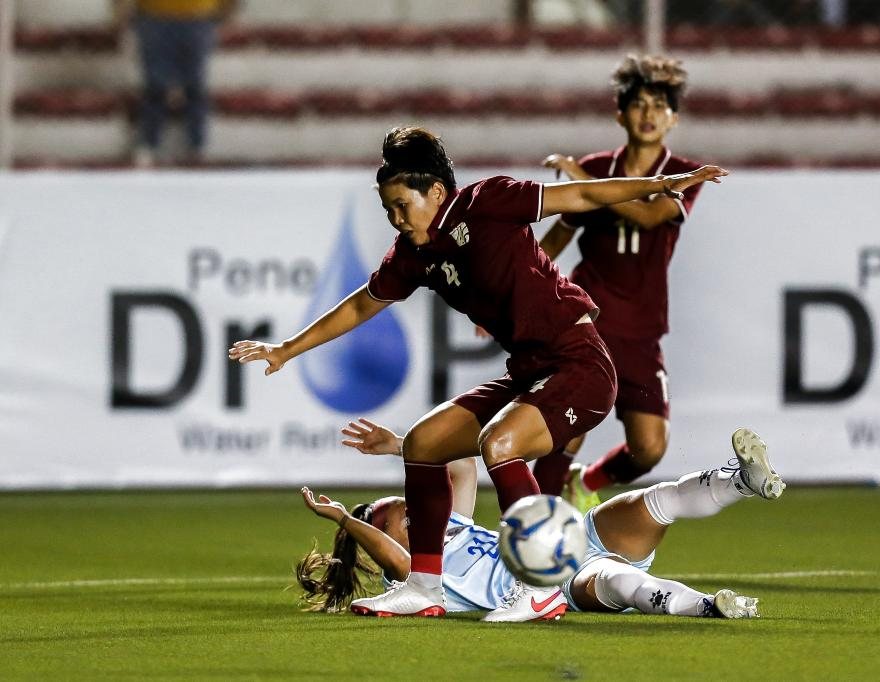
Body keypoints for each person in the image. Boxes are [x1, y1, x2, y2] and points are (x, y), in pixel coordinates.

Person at [230, 125, 728, 620]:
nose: (396, 219)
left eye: (402, 205)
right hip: (529, 372)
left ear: (438, 192)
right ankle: (426, 587)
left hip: (580, 363)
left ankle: (541, 585)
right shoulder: (414, 255)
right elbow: (363, 305)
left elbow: (579, 193)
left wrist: (656, 186)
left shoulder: (487, 200)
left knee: (500, 445)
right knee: (424, 444)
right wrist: (287, 349)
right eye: (388, 210)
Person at [296, 418, 783, 621]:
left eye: (405, 502)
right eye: (401, 516)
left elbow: (461, 464)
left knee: (655, 501)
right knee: (621, 583)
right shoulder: (415, 572)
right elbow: (395, 560)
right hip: (558, 582)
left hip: (573, 537)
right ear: (389, 539)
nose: (412, 508)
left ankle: (743, 480)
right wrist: (345, 519)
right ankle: (710, 607)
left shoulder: (455, 525)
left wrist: (402, 446)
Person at [531, 54, 735, 510]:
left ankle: (586, 483)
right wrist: (521, 284)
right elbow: (563, 231)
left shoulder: (682, 173)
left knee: (649, 448)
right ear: (620, 114)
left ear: (673, 118)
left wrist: (584, 180)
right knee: (572, 424)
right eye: (639, 104)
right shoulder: (599, 164)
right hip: (590, 317)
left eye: (659, 105)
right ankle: (536, 522)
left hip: (641, 328)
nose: (648, 114)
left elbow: (648, 215)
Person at [112, 0, 238, 166]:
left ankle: (198, 146)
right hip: (154, 19)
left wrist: (228, 12)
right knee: (155, 87)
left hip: (198, 18)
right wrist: (121, 15)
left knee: (195, 87)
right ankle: (148, 145)